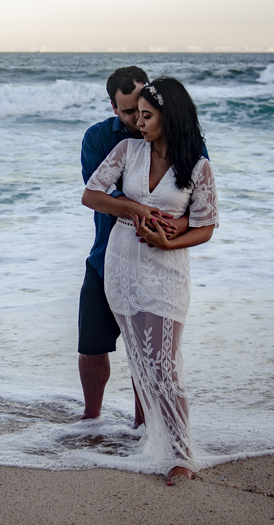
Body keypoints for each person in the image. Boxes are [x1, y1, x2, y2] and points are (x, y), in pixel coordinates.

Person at [81, 76, 218, 485]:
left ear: (169, 117)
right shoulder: (127, 150)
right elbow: (91, 194)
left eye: (147, 116)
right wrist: (136, 209)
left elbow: (206, 226)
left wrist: (169, 240)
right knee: (142, 363)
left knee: (165, 367)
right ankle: (153, 442)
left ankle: (181, 455)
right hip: (121, 265)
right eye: (136, 115)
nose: (139, 123)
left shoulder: (197, 165)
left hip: (167, 271)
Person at [77, 67, 190, 424]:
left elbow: (196, 204)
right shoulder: (101, 139)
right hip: (104, 258)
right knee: (92, 346)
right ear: (114, 108)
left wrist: (169, 230)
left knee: (147, 354)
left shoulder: (182, 140)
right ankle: (91, 420)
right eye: (128, 112)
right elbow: (100, 196)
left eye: (142, 110)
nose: (136, 120)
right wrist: (141, 210)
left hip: (155, 260)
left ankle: (144, 427)